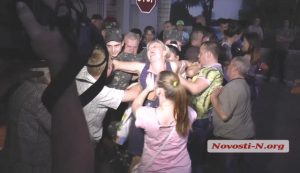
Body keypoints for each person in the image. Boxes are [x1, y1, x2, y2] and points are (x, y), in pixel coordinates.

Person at [132, 71, 196, 173]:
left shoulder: (148, 116)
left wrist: (148, 88)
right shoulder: (189, 112)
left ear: (158, 91)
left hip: (153, 168)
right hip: (182, 168)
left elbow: (136, 105)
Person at [179, 41, 223, 173]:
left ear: (209, 54)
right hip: (200, 118)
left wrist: (175, 77)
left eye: (201, 53)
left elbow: (194, 88)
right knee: (194, 156)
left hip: (200, 119)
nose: (199, 56)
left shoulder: (212, 71)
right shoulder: (209, 69)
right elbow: (192, 73)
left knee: (194, 158)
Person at [210, 57, 255, 173]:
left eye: (229, 65)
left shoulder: (232, 87)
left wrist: (213, 98)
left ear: (235, 68)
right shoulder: (244, 84)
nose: (227, 68)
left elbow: (224, 115)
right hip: (244, 136)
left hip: (231, 139)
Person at [266, 19, 295, 84]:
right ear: (283, 23)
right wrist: (286, 39)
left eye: (287, 22)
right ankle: (268, 77)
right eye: (285, 22)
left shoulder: (290, 31)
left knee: (282, 65)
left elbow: (292, 40)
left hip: (284, 50)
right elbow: (277, 39)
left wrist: (282, 39)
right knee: (272, 64)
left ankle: (281, 80)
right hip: (276, 49)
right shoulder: (279, 30)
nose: (286, 24)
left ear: (288, 24)